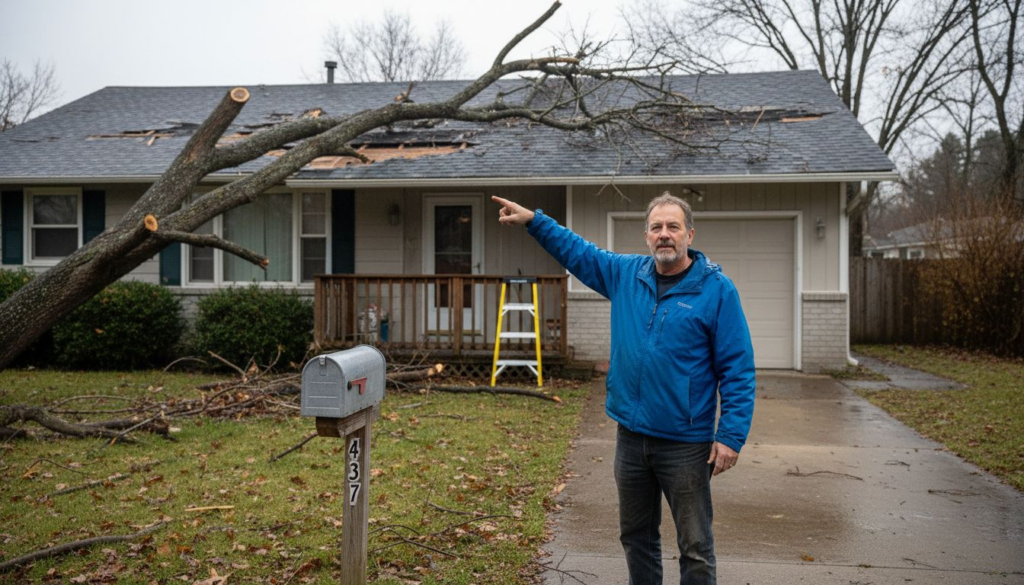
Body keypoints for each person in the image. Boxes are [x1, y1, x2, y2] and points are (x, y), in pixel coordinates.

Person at [492, 192, 755, 585]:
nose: (664, 234)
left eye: (673, 227)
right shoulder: (626, 274)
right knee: (636, 538)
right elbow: (576, 251)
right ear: (647, 236)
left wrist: (730, 436)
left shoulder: (717, 291)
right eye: (656, 227)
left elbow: (738, 368)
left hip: (685, 443)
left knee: (696, 546)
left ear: (690, 234)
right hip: (631, 439)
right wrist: (535, 221)